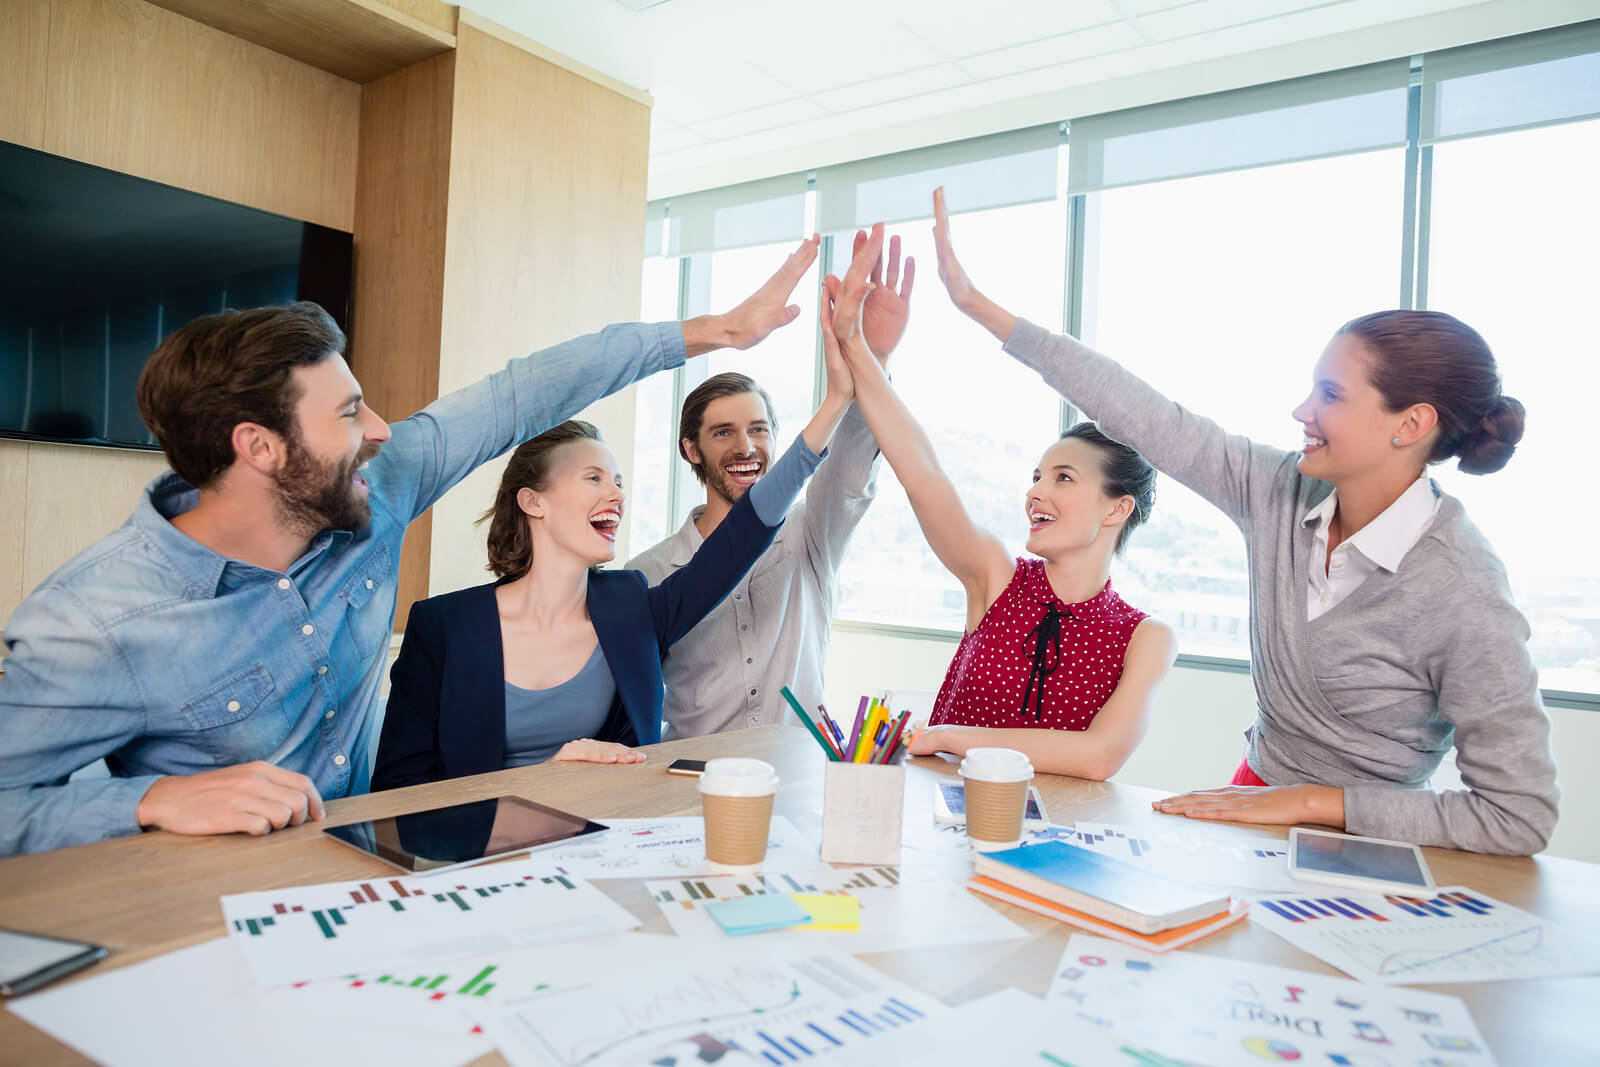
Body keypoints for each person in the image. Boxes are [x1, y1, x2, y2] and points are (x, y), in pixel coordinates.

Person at [0, 237, 822, 857]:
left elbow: (521, 393)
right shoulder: (96, 620)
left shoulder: (379, 493)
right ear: (260, 447)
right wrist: (148, 801)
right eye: (350, 413)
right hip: (198, 916)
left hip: (351, 887)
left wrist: (709, 332)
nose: (384, 431)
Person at [928, 186, 1558, 855]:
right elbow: (1146, 415)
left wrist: (1318, 802)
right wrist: (979, 307)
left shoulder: (1461, 586)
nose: (1301, 411)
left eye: (1331, 395)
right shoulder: (1278, 490)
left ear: (1412, 423)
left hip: (1372, 842)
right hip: (1250, 800)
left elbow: (1520, 815)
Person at [373, 329, 857, 787]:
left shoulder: (630, 604)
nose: (616, 495)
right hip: (477, 859)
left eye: (619, 482)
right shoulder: (443, 625)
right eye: (593, 479)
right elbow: (397, 792)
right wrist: (541, 777)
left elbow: (745, 533)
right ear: (532, 501)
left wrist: (836, 401)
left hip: (604, 843)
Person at [823, 224, 1177, 780]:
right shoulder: (996, 576)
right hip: (941, 832)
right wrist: (860, 347)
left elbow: (1100, 756)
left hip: (1056, 846)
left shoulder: (1148, 637)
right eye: (1037, 476)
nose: (1035, 491)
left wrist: (953, 739)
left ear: (1117, 508)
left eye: (1063, 478)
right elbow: (923, 472)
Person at [625, 231, 912, 738]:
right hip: (689, 788)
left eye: (759, 429)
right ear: (691, 450)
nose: (746, 446)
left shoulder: (809, 537)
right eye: (723, 432)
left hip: (796, 782)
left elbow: (848, 464)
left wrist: (873, 360)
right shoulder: (646, 574)